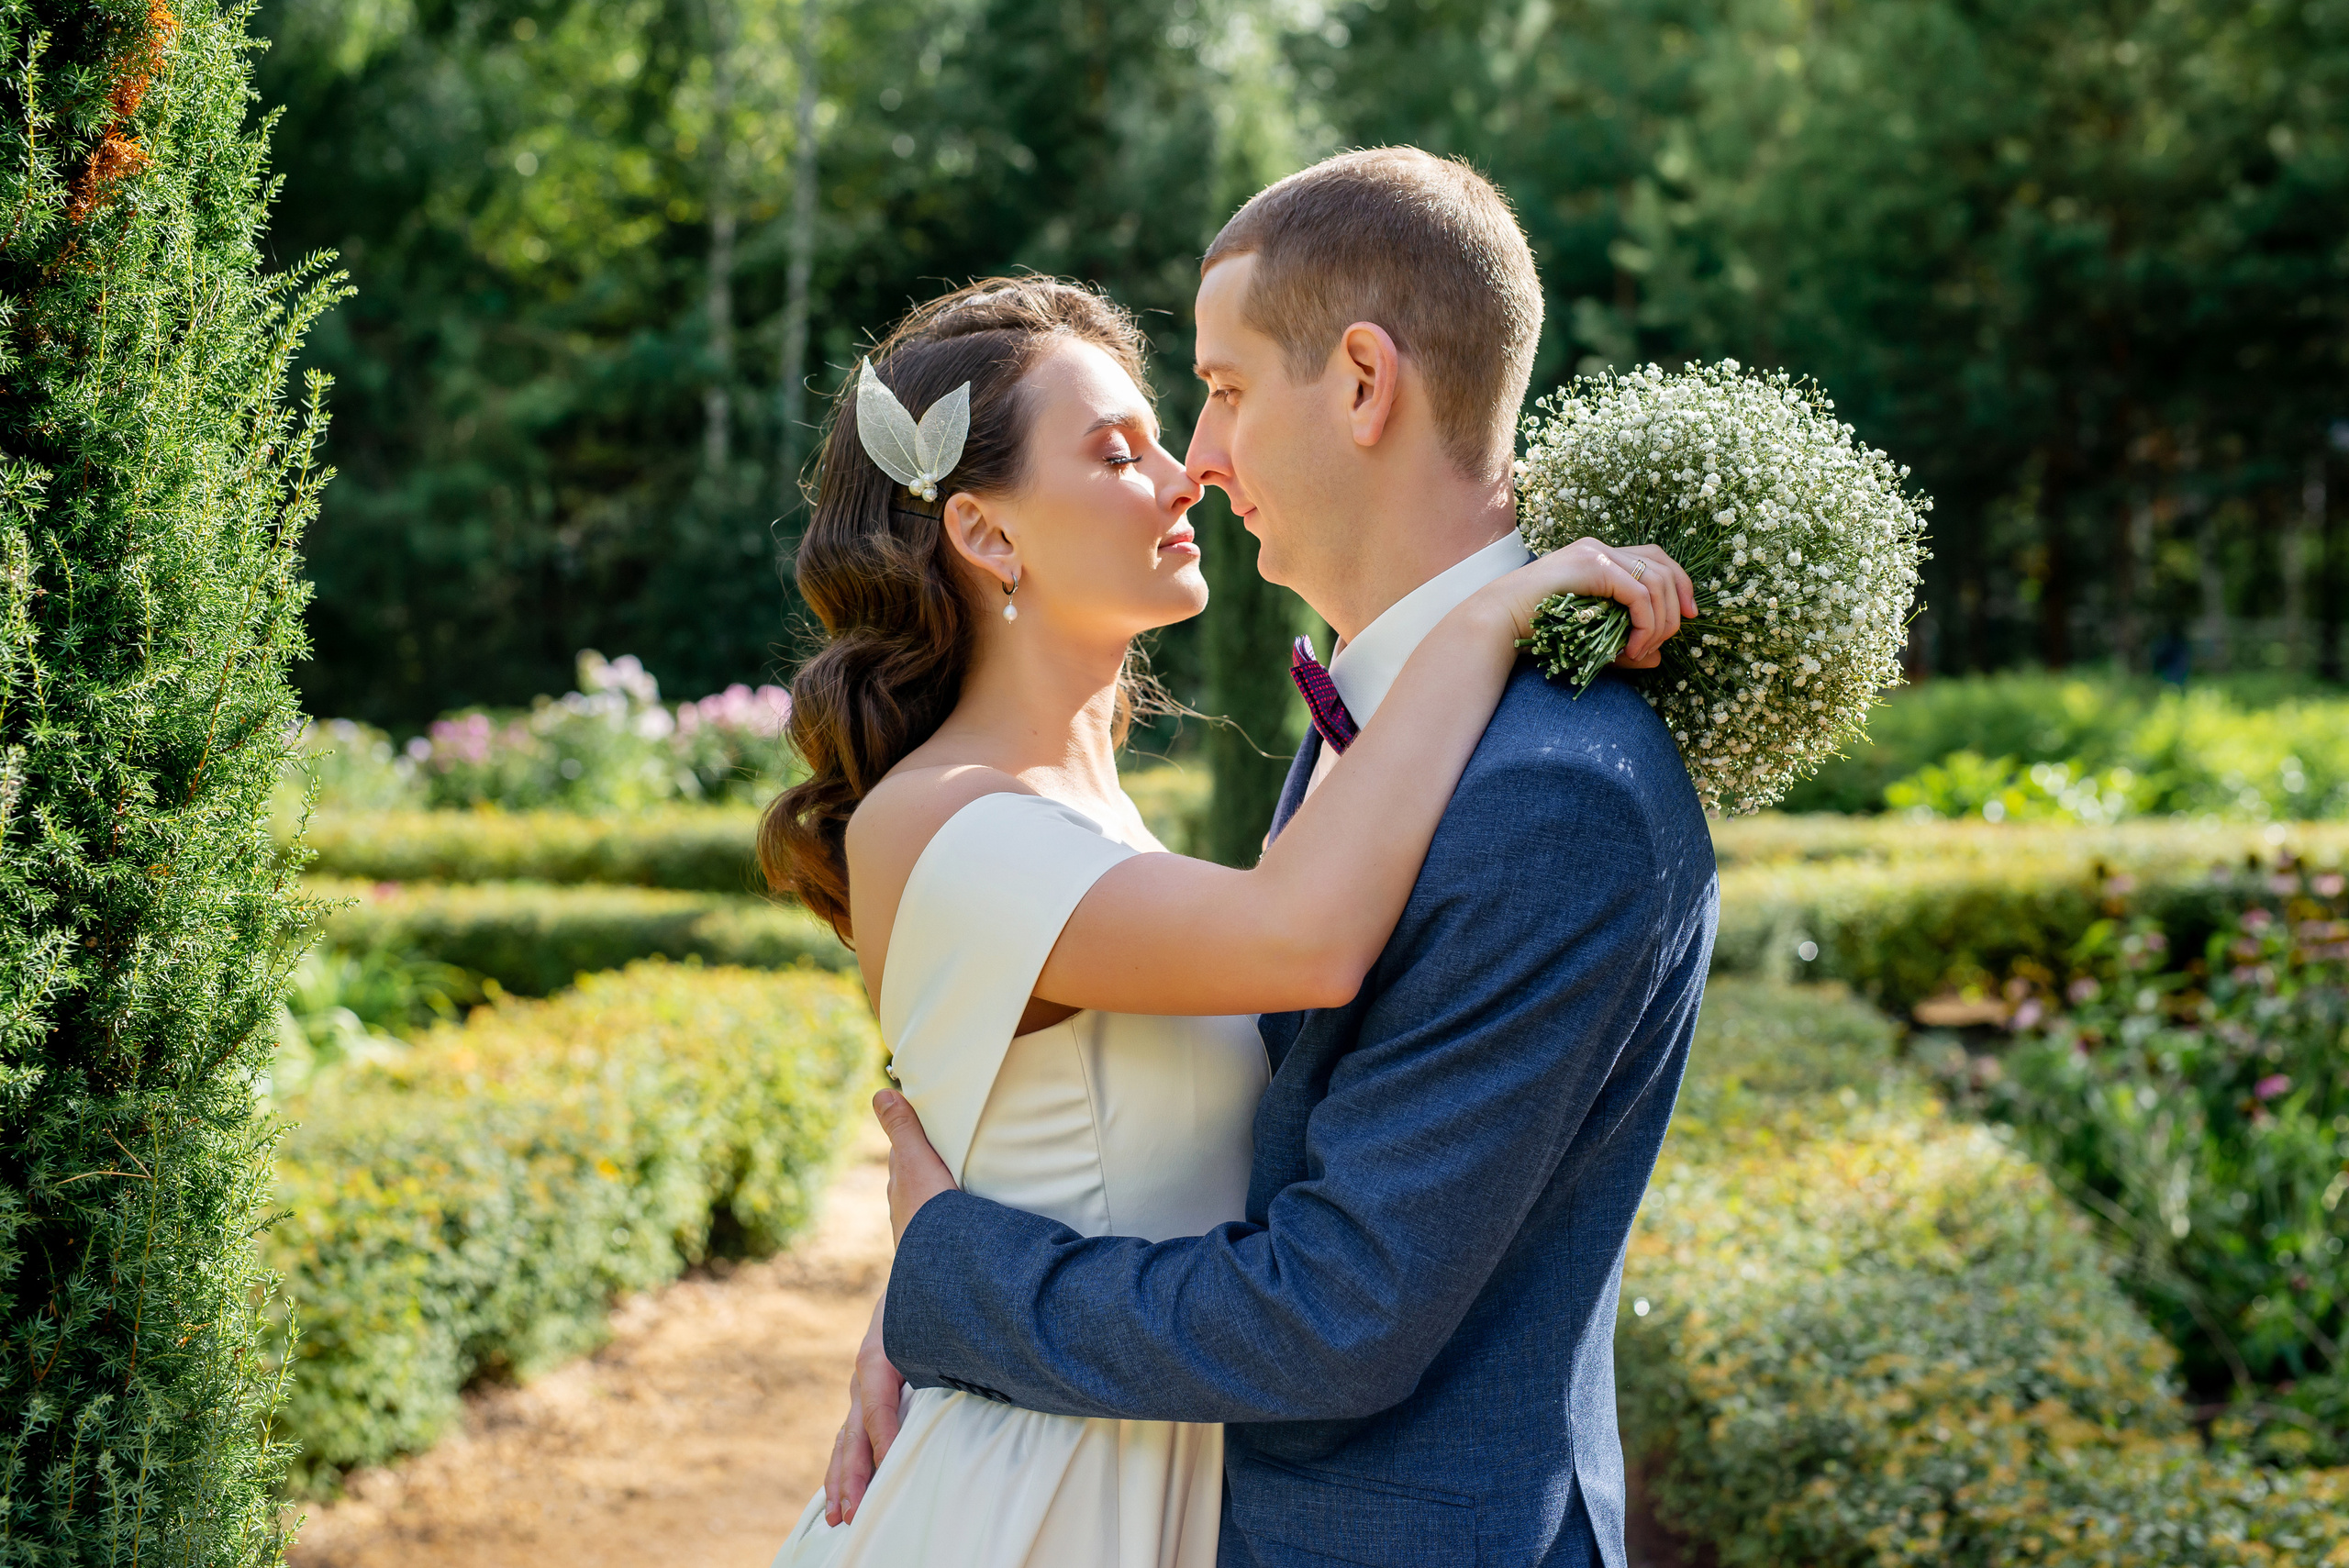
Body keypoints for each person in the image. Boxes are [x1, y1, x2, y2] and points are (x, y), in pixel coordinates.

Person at [787, 149, 1717, 1568]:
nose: (1194, 469)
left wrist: (950, 1277)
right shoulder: (1359, 728)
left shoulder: (1543, 784)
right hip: (1051, 1497)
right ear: (981, 532)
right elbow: (1274, 992)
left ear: (1359, 382)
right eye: (1133, 445)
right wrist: (931, 1291)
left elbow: (1332, 1288)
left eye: (1209, 399)